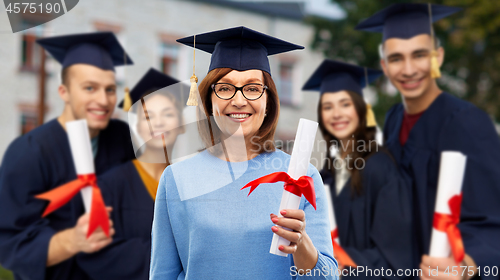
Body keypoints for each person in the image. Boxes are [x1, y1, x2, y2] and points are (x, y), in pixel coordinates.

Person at [150, 26, 338, 279]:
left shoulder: (301, 177)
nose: (239, 101)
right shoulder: (176, 179)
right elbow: (163, 274)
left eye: (252, 88)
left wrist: (301, 243)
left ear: (268, 101)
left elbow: (327, 276)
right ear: (209, 100)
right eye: (225, 88)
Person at [356, 3, 500, 280]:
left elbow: (494, 220)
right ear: (385, 66)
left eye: (420, 55)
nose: (409, 69)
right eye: (397, 58)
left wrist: (466, 263)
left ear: (439, 57)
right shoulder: (395, 118)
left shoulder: (468, 123)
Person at [0, 32, 135, 280]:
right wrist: (72, 241)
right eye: (89, 88)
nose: (103, 100)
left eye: (110, 89)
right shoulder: (28, 152)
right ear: (64, 92)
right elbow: (12, 242)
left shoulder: (122, 138)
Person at [303, 59, 413, 279]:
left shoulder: (380, 166)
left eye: (345, 104)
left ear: (361, 109)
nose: (336, 114)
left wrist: (342, 261)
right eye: (328, 106)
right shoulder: (327, 174)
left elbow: (397, 253)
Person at [76, 67, 186, 279]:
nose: (159, 123)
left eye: (168, 114)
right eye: (148, 116)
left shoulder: (190, 185)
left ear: (182, 124)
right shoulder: (110, 185)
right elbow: (92, 253)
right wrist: (169, 255)